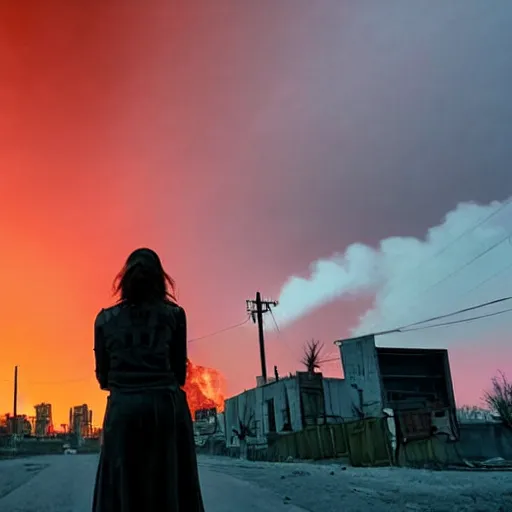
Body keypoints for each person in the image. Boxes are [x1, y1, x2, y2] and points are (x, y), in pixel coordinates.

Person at [92, 248, 205, 512]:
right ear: (160, 279)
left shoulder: (104, 319)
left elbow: (103, 378)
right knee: (171, 489)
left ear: (124, 280)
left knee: (121, 492)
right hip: (165, 410)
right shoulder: (175, 315)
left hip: (123, 412)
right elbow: (179, 373)